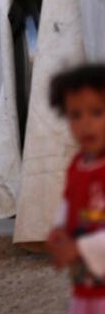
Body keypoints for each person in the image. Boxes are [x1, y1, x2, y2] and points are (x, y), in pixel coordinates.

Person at [46, 64, 105, 313]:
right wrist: (60, 228)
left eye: (97, 112)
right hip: (86, 278)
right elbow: (69, 201)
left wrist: (77, 248)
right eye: (75, 115)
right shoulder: (78, 164)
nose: (85, 124)